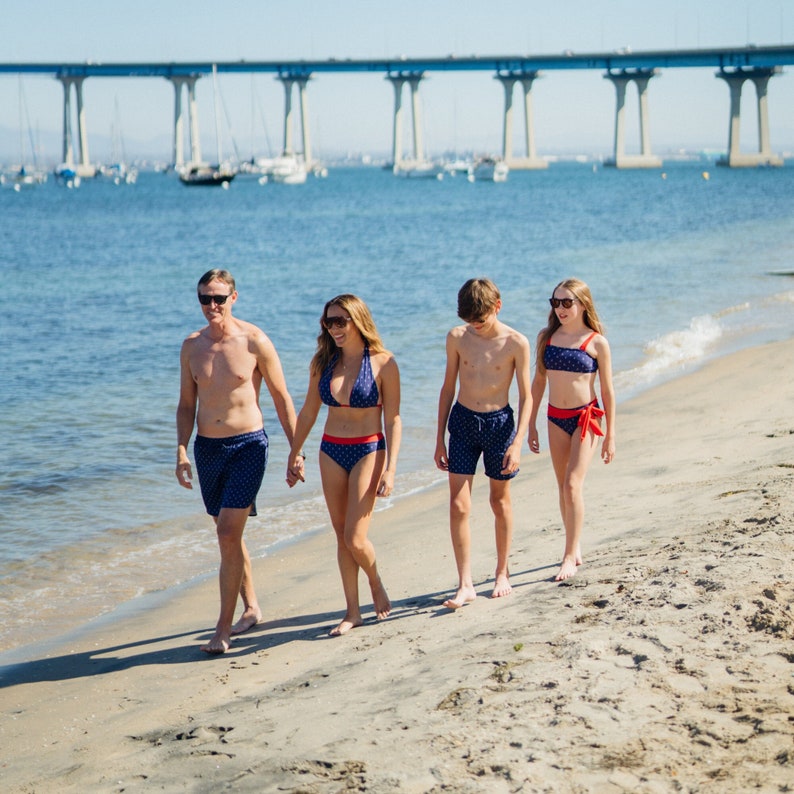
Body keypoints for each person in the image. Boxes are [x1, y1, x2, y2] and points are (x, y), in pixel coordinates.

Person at [176, 269, 299, 654]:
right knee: (230, 536)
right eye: (204, 299)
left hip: (248, 445)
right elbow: (186, 405)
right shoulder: (192, 347)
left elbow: (281, 398)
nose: (211, 306)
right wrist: (181, 448)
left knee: (227, 534)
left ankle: (222, 629)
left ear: (234, 297)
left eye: (219, 298)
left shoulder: (254, 340)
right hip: (207, 450)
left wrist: (297, 451)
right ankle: (251, 608)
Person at [287, 294, 401, 636]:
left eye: (341, 321)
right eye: (328, 322)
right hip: (330, 449)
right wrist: (295, 451)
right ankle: (352, 612)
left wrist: (391, 468)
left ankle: (375, 580)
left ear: (357, 320)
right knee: (340, 536)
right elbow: (308, 411)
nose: (334, 328)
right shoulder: (323, 362)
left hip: (368, 448)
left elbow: (393, 418)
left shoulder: (383, 362)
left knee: (355, 536)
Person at [434, 278, 532, 609]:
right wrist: (438, 439)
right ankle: (465, 584)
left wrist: (518, 442)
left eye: (481, 319)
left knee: (498, 500)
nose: (475, 325)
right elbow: (448, 387)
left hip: (499, 425)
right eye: (469, 320)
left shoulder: (516, 342)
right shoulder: (457, 338)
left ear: (497, 306)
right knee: (459, 505)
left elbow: (527, 395)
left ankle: (502, 572)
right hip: (462, 423)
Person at [528, 278, 615, 582]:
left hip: (585, 418)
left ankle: (568, 556)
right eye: (556, 303)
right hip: (554, 417)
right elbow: (538, 383)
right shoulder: (546, 338)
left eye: (567, 302)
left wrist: (611, 436)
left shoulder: (596, 342)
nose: (561, 309)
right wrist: (531, 424)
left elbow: (607, 390)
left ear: (583, 304)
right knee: (561, 485)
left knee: (572, 485)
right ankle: (573, 542)